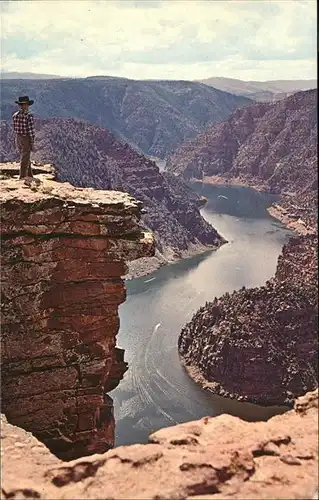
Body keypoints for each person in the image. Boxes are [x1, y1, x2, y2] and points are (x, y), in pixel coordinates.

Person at [12, 96, 35, 179]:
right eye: (26, 105)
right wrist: (32, 143)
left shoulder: (15, 115)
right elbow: (31, 131)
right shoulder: (29, 116)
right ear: (26, 105)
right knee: (25, 158)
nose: (27, 106)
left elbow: (15, 128)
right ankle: (22, 176)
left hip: (18, 137)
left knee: (25, 156)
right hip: (26, 138)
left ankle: (30, 175)